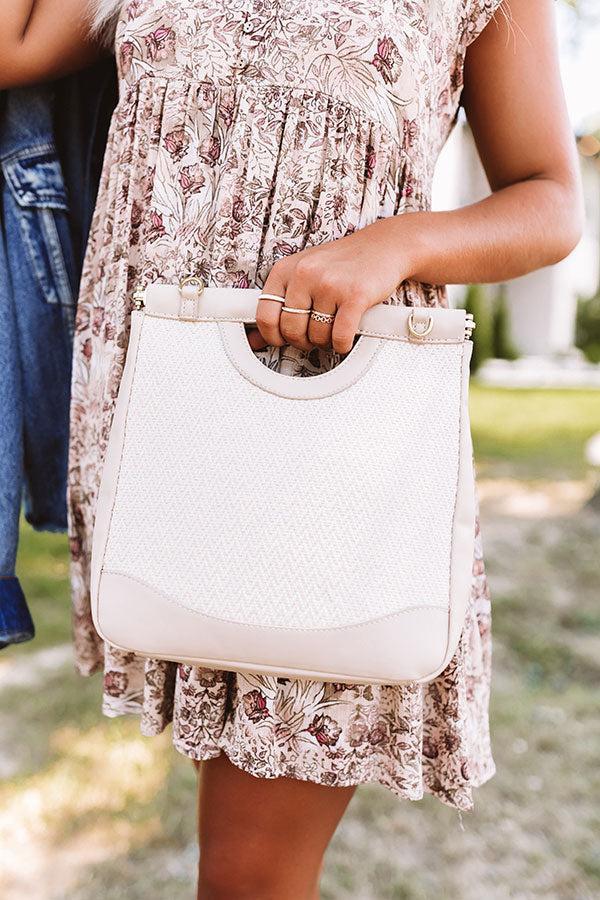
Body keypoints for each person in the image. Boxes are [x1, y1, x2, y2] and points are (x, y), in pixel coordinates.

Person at [1, 2, 583, 898]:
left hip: (329, 433)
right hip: (167, 435)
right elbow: (12, 45)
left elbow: (549, 198)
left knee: (249, 875)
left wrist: (396, 246)